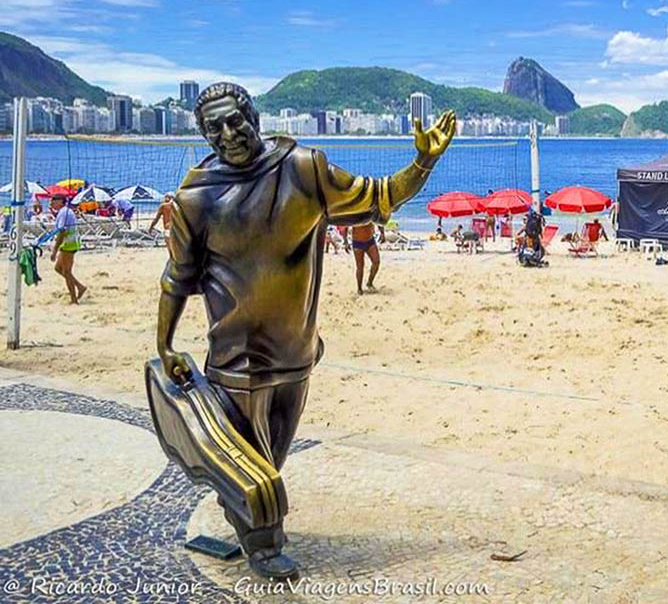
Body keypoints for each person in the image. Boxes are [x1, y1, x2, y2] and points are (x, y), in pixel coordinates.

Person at [155, 82, 454, 580]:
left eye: (236, 120)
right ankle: (262, 546)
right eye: (215, 127)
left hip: (297, 355)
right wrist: (164, 344)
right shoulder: (195, 200)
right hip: (237, 364)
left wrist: (422, 163)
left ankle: (253, 526)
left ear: (253, 115)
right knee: (255, 471)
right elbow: (177, 278)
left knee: (270, 464)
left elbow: (380, 198)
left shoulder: (304, 169)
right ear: (204, 135)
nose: (229, 133)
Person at [49, 193, 86, 304]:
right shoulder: (64, 212)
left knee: (67, 272)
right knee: (58, 269)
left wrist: (54, 251)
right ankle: (80, 287)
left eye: (54, 200)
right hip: (69, 243)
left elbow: (62, 233)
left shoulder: (64, 213)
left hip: (69, 245)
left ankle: (74, 300)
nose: (51, 203)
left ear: (61, 201)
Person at [350, 222, 382, 293]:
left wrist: (382, 233)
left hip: (370, 241)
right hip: (357, 242)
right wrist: (345, 241)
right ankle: (359, 288)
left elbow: (378, 220)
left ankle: (369, 283)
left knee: (376, 262)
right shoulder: (355, 213)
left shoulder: (370, 211)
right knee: (360, 266)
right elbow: (345, 226)